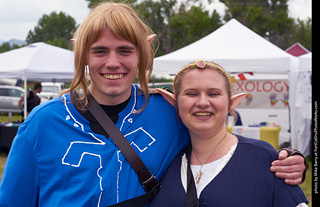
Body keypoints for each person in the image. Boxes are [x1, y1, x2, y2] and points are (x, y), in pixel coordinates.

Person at [0, 3, 306, 206]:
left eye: (125, 50)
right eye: (99, 51)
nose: (112, 62)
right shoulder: (40, 125)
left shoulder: (168, 113)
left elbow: (218, 141)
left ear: (143, 54)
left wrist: (289, 160)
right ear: (81, 55)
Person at [151, 60, 308, 206]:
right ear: (175, 103)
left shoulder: (262, 157)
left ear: (231, 103)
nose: (203, 103)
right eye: (192, 94)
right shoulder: (165, 161)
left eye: (214, 94)